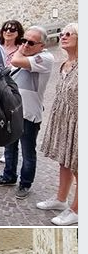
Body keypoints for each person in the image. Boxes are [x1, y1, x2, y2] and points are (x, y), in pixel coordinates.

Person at [0, 26, 53, 199]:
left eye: (30, 42)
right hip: (13, 110)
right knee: (10, 146)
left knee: (27, 150)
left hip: (30, 113)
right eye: (24, 40)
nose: (25, 45)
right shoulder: (29, 55)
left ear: (42, 46)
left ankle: (25, 183)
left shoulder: (45, 58)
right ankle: (9, 175)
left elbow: (16, 61)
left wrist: (18, 49)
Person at [38, 23, 78, 226]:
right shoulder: (65, 63)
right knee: (65, 160)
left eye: (68, 34)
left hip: (79, 121)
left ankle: (77, 209)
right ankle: (61, 200)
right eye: (62, 33)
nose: (63, 36)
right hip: (64, 119)